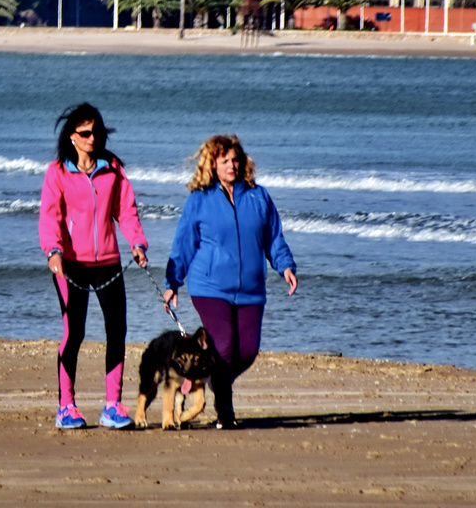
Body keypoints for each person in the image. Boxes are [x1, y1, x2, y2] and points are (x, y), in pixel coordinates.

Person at [162, 134, 297, 429]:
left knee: (247, 351)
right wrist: (173, 281)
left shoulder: (259, 196)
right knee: (223, 347)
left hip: (251, 289)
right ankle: (226, 413)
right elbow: (184, 243)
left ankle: (210, 377)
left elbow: (273, 237)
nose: (232, 165)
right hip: (209, 286)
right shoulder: (200, 199)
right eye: (225, 161)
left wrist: (284, 265)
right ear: (213, 164)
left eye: (236, 159)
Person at [39, 102, 149, 430]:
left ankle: (112, 406)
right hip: (70, 263)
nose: (92, 138)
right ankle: (66, 407)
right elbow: (50, 217)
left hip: (109, 262)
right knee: (75, 333)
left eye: (96, 132)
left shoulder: (112, 168)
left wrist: (137, 243)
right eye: (85, 133)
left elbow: (125, 211)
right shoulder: (57, 172)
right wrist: (54, 251)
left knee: (117, 331)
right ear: (72, 136)